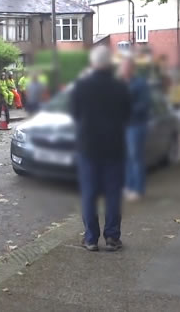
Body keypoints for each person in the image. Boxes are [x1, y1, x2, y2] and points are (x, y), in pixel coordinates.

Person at [69, 46, 132, 252]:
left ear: (93, 63)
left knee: (89, 193)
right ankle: (112, 237)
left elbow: (75, 113)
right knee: (113, 193)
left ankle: (91, 239)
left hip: (88, 147)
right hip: (114, 146)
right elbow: (127, 115)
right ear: (109, 63)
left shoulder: (81, 86)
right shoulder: (120, 86)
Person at [119, 55, 152, 201]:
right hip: (123, 125)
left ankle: (138, 189)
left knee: (135, 157)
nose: (124, 69)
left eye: (126, 66)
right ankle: (128, 186)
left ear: (132, 68)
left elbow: (144, 105)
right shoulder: (120, 83)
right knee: (125, 157)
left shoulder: (140, 84)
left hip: (136, 125)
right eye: (122, 66)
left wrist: (127, 110)